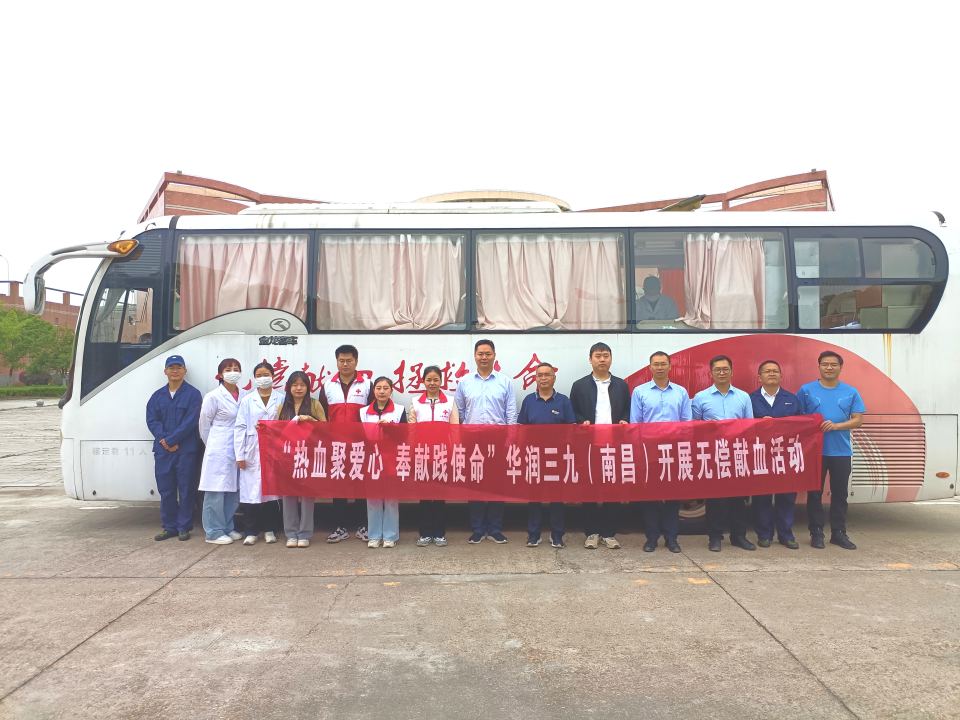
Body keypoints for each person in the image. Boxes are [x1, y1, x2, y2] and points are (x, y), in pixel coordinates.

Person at [797, 351, 865, 550]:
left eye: (833, 364)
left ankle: (838, 533)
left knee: (840, 494)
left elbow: (858, 420)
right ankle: (816, 533)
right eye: (825, 364)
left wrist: (836, 426)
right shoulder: (806, 390)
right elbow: (797, 417)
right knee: (814, 494)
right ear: (818, 366)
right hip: (814, 451)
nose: (829, 367)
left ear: (840, 367)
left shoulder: (851, 391)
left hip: (841, 452)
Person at [454, 339, 517, 544]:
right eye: (480, 354)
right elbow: (459, 412)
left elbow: (511, 414)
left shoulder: (505, 382)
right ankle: (478, 529)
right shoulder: (464, 382)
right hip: (472, 439)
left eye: (488, 353)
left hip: (498, 438)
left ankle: (495, 529)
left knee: (497, 485)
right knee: (475, 483)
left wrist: (509, 442)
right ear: (474, 356)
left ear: (494, 356)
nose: (484, 357)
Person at [569, 342, 630, 550]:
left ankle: (609, 533)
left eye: (605, 355)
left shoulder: (621, 385)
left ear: (611, 359)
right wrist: (581, 421)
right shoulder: (579, 385)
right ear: (590, 360)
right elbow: (573, 411)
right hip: (590, 446)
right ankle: (592, 533)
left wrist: (624, 420)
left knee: (613, 490)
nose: (602, 359)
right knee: (590, 490)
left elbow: (627, 409)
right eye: (598, 356)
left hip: (614, 446)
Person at [691, 355, 756, 552]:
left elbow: (750, 425)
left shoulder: (743, 397)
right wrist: (705, 425)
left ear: (732, 372)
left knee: (738, 498)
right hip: (713, 453)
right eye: (717, 369)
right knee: (715, 498)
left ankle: (738, 536)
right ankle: (715, 537)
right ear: (711, 373)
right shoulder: (701, 397)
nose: (721, 372)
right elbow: (691, 425)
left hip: (737, 452)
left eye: (725, 369)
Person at [630, 351, 691, 554]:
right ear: (650, 367)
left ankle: (671, 538)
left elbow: (686, 424)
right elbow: (635, 424)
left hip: (674, 451)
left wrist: (685, 450)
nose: (659, 367)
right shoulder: (640, 392)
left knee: (673, 497)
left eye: (663, 364)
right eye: (655, 364)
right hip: (650, 451)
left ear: (670, 366)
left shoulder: (681, 392)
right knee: (650, 497)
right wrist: (638, 453)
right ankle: (652, 538)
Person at [319, 344, 373, 544]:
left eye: (349, 360)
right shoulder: (327, 385)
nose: (345, 364)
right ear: (337, 362)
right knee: (338, 486)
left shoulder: (367, 385)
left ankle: (363, 526)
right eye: (341, 360)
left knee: (361, 487)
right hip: (336, 445)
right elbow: (322, 415)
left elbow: (373, 412)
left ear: (356, 361)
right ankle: (338, 527)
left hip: (360, 444)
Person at [517, 362, 575, 548]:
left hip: (556, 457)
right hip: (534, 457)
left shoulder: (563, 401)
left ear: (554, 378)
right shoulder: (529, 401)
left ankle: (557, 535)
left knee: (556, 498)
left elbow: (571, 430)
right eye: (540, 375)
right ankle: (534, 534)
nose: (543, 378)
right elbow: (522, 429)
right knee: (534, 497)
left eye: (547, 375)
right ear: (535, 378)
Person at [146, 355, 202, 541]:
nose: (175, 371)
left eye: (179, 367)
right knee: (166, 490)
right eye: (171, 367)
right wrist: (164, 440)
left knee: (186, 490)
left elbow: (191, 420)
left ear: (185, 371)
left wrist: (172, 440)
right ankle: (169, 527)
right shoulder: (157, 396)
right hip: (163, 452)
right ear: (165, 371)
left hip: (186, 450)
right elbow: (152, 420)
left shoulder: (193, 394)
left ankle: (184, 527)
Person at [749, 360, 803, 550]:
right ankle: (764, 535)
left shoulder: (791, 399)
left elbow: (800, 425)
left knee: (786, 496)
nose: (771, 374)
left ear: (781, 376)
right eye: (767, 371)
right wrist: (759, 423)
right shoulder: (750, 399)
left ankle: (786, 535)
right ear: (759, 377)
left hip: (785, 454)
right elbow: (744, 425)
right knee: (761, 497)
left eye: (775, 371)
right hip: (760, 455)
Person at [234, 361, 285, 546]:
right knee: (250, 492)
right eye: (259, 375)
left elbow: (285, 425)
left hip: (274, 450)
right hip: (252, 450)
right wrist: (239, 454)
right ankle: (251, 531)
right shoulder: (248, 400)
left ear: (273, 376)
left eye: (266, 375)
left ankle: (270, 529)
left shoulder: (281, 398)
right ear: (254, 378)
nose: (263, 378)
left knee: (271, 493)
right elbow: (240, 427)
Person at [408, 365, 459, 547]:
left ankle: (439, 534)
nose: (432, 383)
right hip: (421, 456)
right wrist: (411, 453)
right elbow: (411, 430)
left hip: (442, 456)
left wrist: (454, 453)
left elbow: (455, 430)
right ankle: (424, 534)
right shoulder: (415, 402)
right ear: (423, 381)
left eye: (436, 379)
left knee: (439, 496)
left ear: (441, 381)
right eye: (428, 379)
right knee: (423, 497)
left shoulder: (450, 401)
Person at [199, 358, 247, 545]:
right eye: (228, 369)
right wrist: (212, 445)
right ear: (220, 374)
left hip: (239, 446)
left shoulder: (245, 395)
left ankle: (227, 526)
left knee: (233, 490)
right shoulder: (213, 396)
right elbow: (204, 425)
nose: (233, 372)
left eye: (236, 369)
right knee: (216, 490)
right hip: (219, 446)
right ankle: (213, 531)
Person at [277, 370, 326, 548]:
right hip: (288, 457)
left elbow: (327, 429)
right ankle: (291, 533)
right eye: (295, 385)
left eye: (302, 385)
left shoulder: (314, 404)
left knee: (307, 496)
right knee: (288, 495)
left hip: (309, 456)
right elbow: (277, 431)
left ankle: (305, 533)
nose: (299, 388)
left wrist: (311, 419)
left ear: (308, 387)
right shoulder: (282, 407)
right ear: (289, 387)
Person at [361, 376, 406, 548]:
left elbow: (404, 436)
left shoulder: (399, 410)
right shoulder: (363, 412)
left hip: (392, 458)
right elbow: (359, 435)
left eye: (385, 388)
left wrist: (389, 428)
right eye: (378, 388)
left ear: (391, 390)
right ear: (373, 391)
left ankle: (390, 536)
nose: (382, 391)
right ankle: (374, 535)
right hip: (372, 459)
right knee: (373, 499)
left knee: (391, 500)